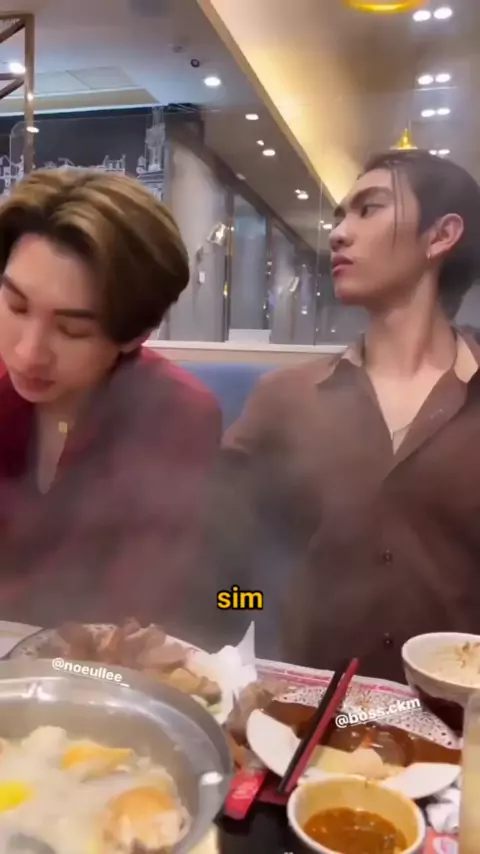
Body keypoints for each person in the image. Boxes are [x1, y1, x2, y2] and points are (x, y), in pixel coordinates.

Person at [210, 149, 480, 681]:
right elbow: (215, 549)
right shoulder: (286, 397)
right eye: (339, 217)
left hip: (459, 713)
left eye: (368, 209)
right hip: (308, 710)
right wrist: (243, 621)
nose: (338, 234)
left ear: (441, 235)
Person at [0, 168, 221, 631]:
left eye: (72, 330)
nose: (27, 353)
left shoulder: (174, 415)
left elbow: (135, 611)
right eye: (16, 307)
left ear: (135, 334)